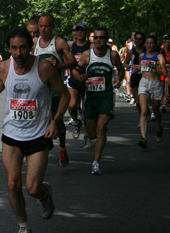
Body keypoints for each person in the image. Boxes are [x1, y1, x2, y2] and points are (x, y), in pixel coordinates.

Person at [0, 27, 69, 233]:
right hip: (11, 134)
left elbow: (64, 95)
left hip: (38, 135)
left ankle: (44, 194)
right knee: (12, 183)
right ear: (9, 48)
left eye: (22, 48)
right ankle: (23, 227)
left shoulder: (44, 68)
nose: (18, 53)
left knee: (32, 188)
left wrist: (56, 121)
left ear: (30, 47)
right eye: (13, 48)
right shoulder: (3, 68)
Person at [72, 28, 125, 174]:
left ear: (106, 39)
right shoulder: (87, 55)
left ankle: (96, 163)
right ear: (93, 39)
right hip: (90, 99)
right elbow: (75, 70)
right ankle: (92, 133)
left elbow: (121, 69)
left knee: (101, 130)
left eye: (101, 37)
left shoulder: (112, 55)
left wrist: (119, 79)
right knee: (93, 134)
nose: (98, 40)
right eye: (96, 37)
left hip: (106, 98)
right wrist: (79, 77)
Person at [33, 13, 76, 167]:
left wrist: (57, 65)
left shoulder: (59, 43)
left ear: (52, 27)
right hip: (39, 90)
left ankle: (62, 147)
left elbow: (72, 62)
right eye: (41, 26)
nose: (43, 29)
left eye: (46, 26)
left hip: (55, 90)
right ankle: (38, 150)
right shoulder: (34, 43)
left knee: (56, 121)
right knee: (42, 120)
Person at [134, 35, 167, 148]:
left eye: (151, 43)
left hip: (155, 84)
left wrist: (153, 67)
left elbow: (164, 72)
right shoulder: (142, 55)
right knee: (143, 111)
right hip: (144, 83)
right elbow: (139, 67)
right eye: (147, 43)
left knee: (156, 109)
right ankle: (143, 138)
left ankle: (159, 127)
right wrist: (135, 69)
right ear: (145, 44)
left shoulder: (160, 56)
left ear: (155, 44)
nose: (149, 45)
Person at [66, 22, 90, 140]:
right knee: (71, 105)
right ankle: (76, 122)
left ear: (86, 32)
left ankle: (87, 135)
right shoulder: (71, 46)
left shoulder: (91, 47)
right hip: (74, 80)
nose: (79, 32)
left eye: (82, 30)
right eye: (77, 30)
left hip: (88, 81)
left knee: (87, 110)